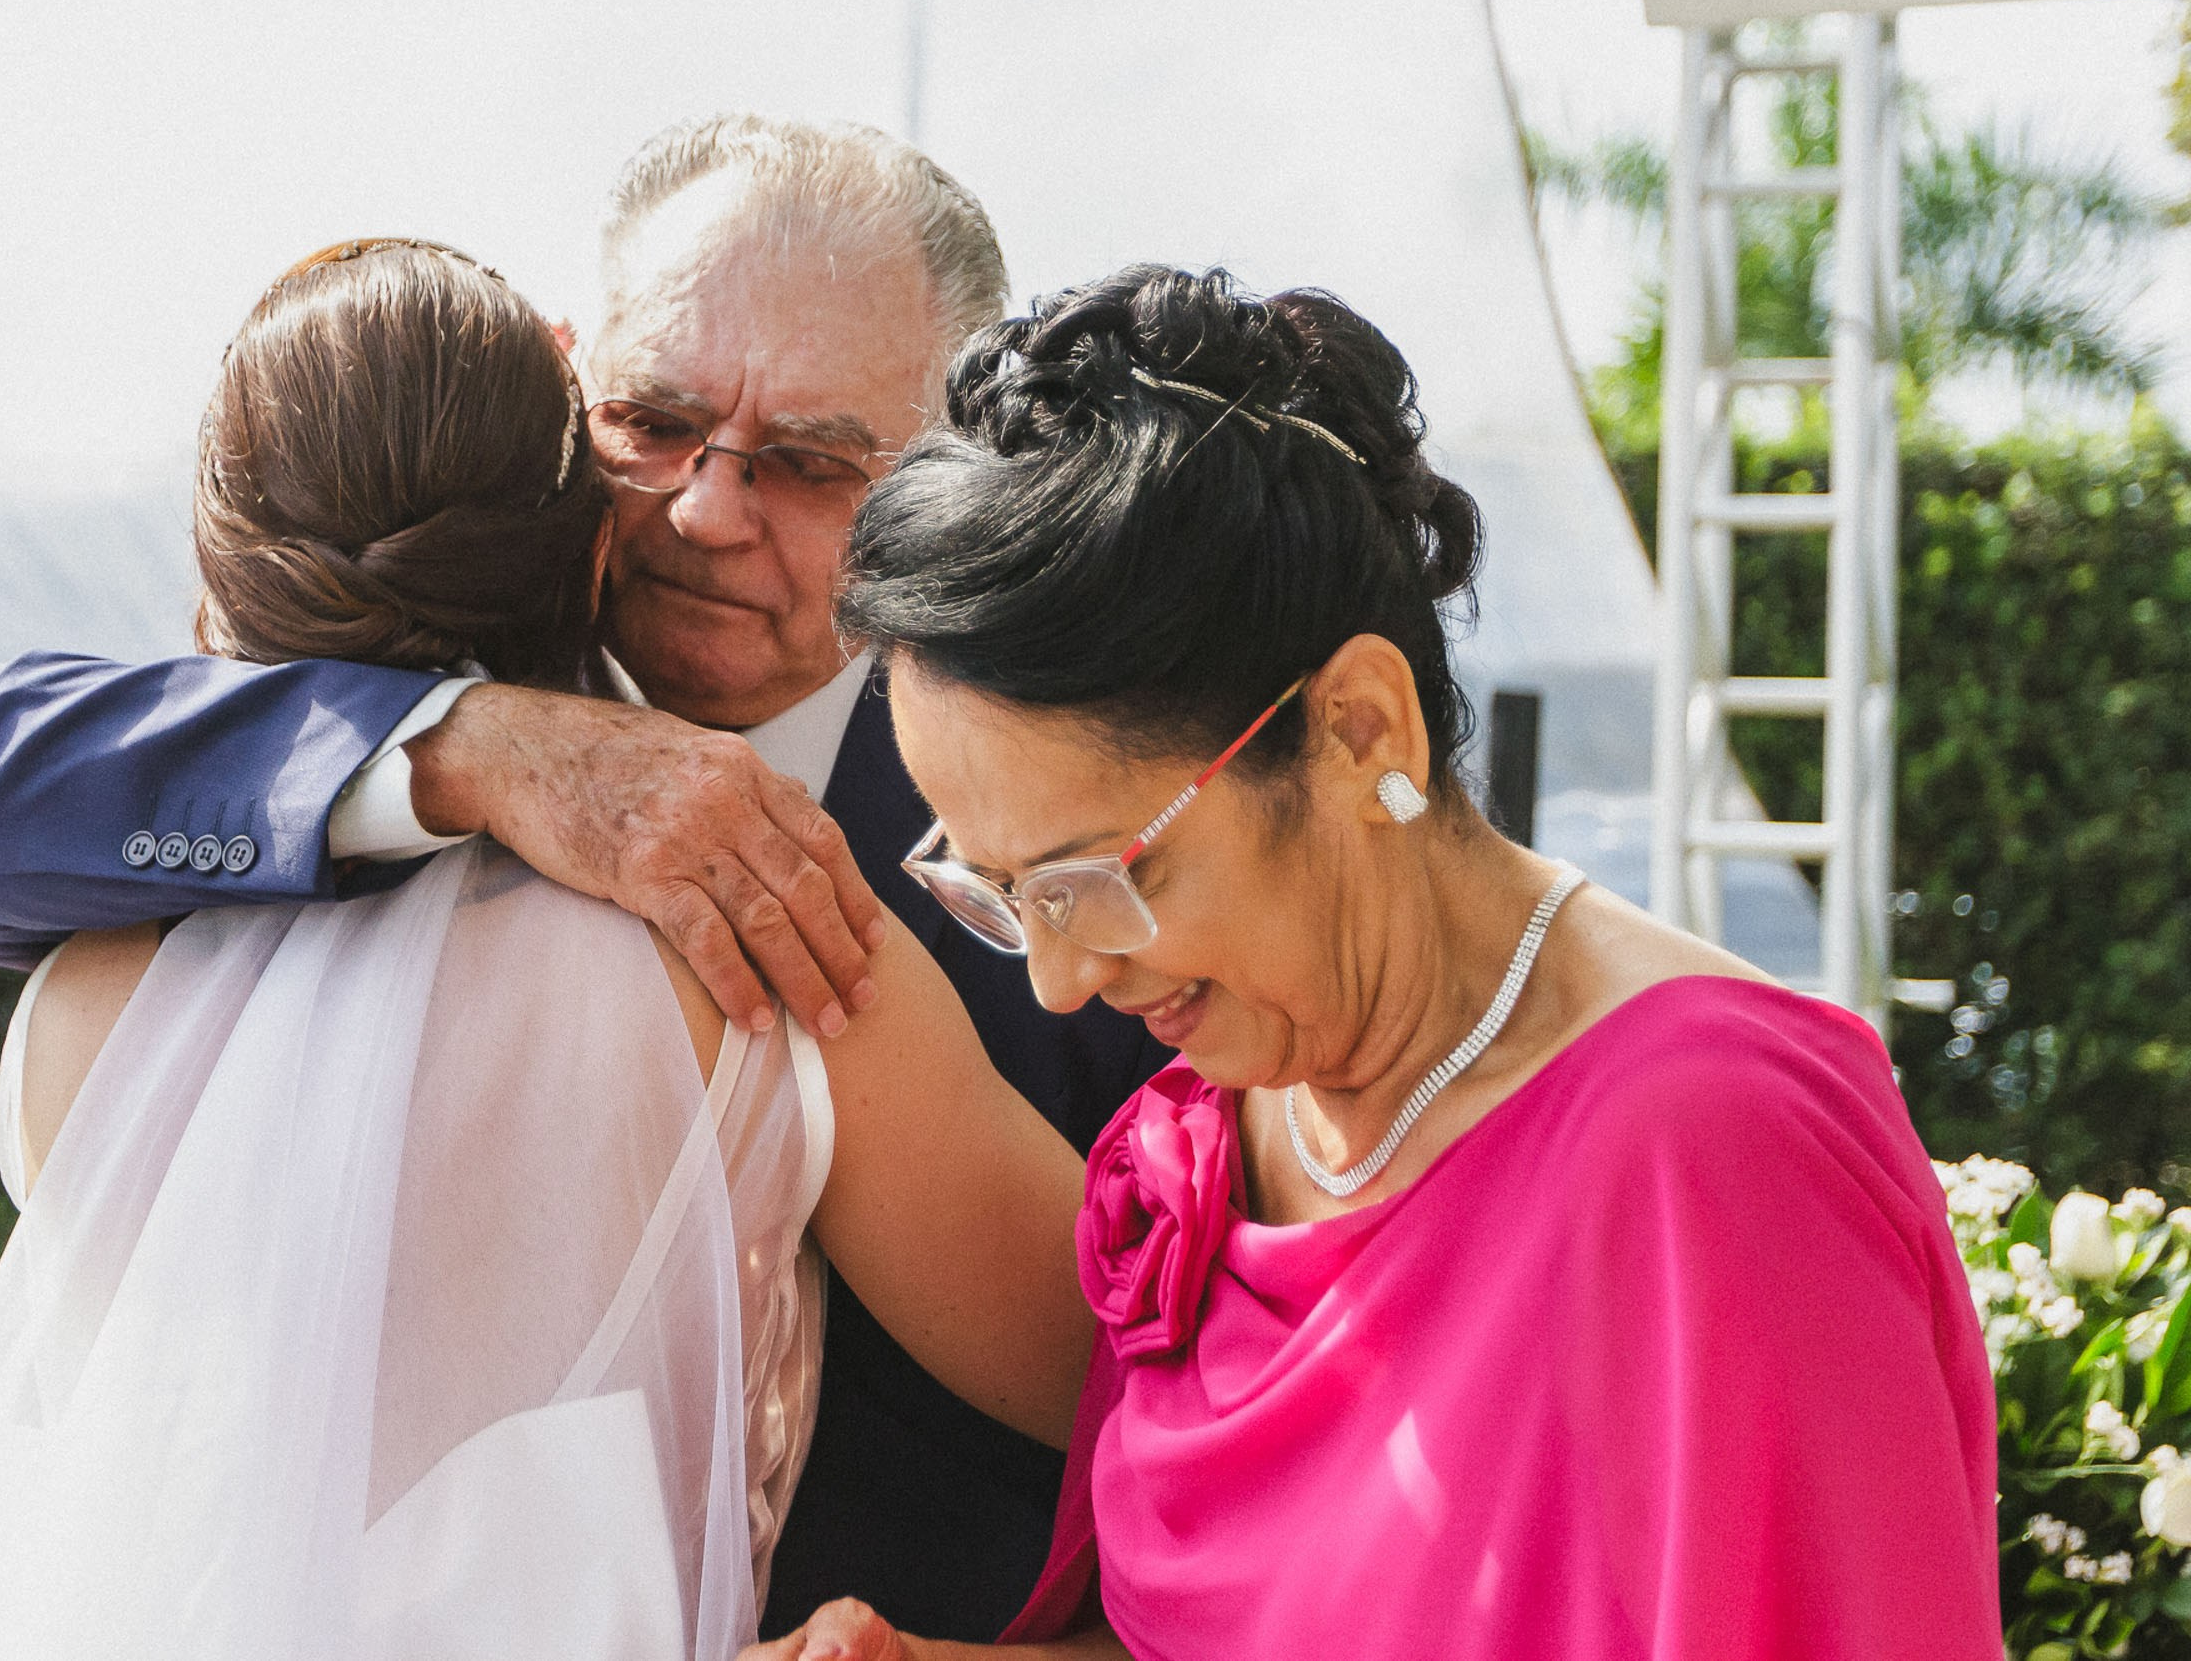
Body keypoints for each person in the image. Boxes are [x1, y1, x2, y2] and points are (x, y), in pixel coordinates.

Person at [0, 116, 1171, 1637]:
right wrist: (454, 747)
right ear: (566, 387)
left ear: (945, 472)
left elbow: (1214, 1420)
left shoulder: (1089, 806)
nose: (711, 509)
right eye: (655, 421)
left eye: (808, 462)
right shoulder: (314, 787)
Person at [741, 265, 2001, 1660]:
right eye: (997, 890)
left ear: (1358, 729)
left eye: (1097, 878)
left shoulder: (1704, 1143)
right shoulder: (1234, 1118)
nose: (1055, 977)